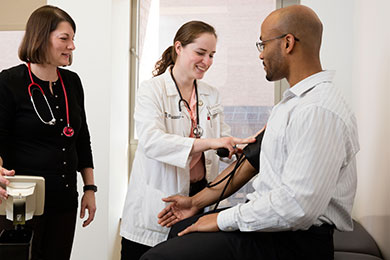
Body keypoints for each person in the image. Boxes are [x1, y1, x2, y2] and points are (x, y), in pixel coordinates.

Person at [141, 5, 360, 260]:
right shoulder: (290, 104)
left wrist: (221, 218)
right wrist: (196, 203)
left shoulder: (318, 110)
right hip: (272, 231)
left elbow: (298, 206)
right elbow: (251, 160)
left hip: (294, 242)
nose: (260, 54)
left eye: (263, 44)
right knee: (179, 230)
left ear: (287, 43)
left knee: (155, 258)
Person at [120, 20, 255, 259]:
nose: (207, 61)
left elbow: (221, 141)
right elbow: (152, 141)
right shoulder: (152, 90)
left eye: (212, 55)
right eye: (200, 53)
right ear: (179, 47)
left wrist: (240, 146)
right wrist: (210, 143)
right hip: (158, 202)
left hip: (198, 198)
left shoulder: (210, 94)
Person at [0, 5, 96, 260]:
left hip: (65, 199)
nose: (72, 46)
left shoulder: (72, 82)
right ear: (40, 37)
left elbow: (82, 139)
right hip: (21, 199)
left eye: (73, 39)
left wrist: (90, 188)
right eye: (64, 38)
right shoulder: (9, 82)